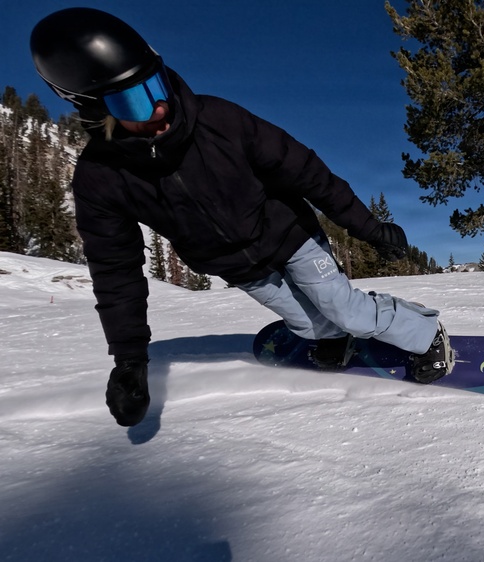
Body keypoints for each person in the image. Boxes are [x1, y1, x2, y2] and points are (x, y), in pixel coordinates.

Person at [30, 8, 455, 427]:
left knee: (346, 310)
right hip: (237, 266)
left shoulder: (218, 120)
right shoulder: (101, 179)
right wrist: (128, 360)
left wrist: (368, 227)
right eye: (133, 101)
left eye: (156, 84)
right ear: (91, 107)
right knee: (309, 327)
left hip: (290, 235)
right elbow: (115, 268)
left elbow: (306, 171)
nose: (159, 107)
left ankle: (424, 333)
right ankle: (333, 338)